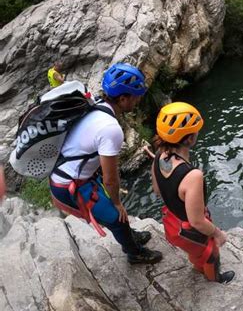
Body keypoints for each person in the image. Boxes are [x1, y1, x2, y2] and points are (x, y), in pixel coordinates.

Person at [49, 63, 163, 265]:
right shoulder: (111, 129)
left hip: (72, 174)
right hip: (69, 186)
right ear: (123, 98)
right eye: (136, 96)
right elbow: (111, 180)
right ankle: (135, 253)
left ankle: (130, 234)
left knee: (117, 213)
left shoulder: (96, 105)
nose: (138, 101)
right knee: (116, 217)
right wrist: (118, 204)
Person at [151, 102, 235, 284]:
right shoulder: (192, 176)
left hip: (173, 225)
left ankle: (197, 266)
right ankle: (215, 280)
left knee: (196, 252)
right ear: (189, 139)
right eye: (195, 131)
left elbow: (157, 190)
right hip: (190, 231)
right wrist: (218, 234)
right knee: (211, 254)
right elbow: (197, 221)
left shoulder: (159, 155)